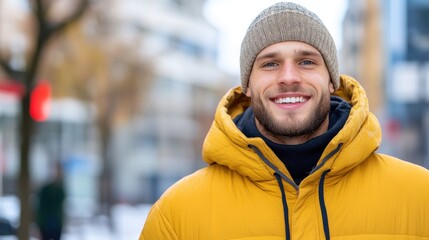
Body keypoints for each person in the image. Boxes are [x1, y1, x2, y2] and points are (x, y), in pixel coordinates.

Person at [139, 2, 429, 239]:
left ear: (331, 81)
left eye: (306, 61)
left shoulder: (420, 197)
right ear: (247, 87)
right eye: (270, 64)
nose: (289, 77)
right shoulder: (176, 216)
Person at [35, 163, 66, 240]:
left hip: (56, 224)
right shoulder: (45, 190)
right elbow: (40, 208)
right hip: (46, 224)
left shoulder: (60, 190)